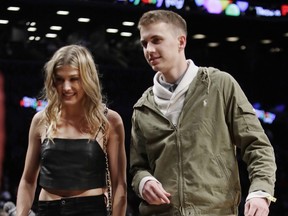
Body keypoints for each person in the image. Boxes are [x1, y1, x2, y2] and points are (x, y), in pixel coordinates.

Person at [129, 9, 277, 216]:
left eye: (156, 40)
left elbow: (257, 145)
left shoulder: (220, 85)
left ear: (181, 42)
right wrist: (143, 182)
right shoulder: (142, 107)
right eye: (144, 43)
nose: (149, 49)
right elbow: (137, 167)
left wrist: (261, 192)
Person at [16, 44, 127, 216]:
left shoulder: (109, 120)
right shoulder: (41, 120)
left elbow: (120, 184)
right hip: (47, 209)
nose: (66, 87)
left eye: (74, 79)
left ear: (87, 78)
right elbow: (28, 180)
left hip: (90, 210)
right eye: (59, 79)